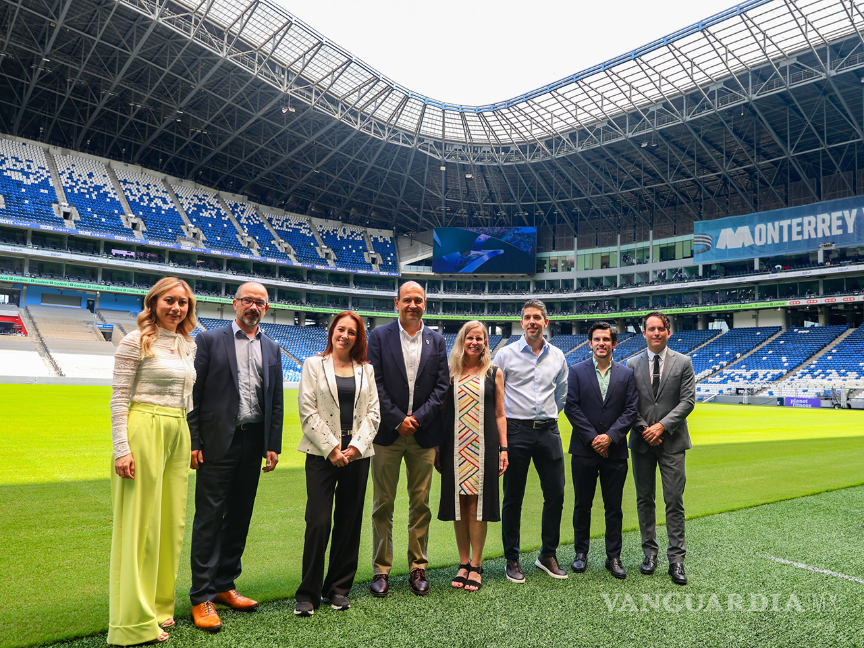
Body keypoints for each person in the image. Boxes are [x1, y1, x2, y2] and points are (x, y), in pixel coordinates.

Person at [187, 282, 284, 632]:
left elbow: (275, 401)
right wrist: (194, 441)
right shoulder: (209, 341)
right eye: (248, 300)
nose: (253, 307)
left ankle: (225, 584)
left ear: (266, 309)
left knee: (240, 516)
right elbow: (193, 394)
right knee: (209, 518)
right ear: (235, 303)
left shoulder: (272, 347)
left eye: (260, 302)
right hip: (217, 442)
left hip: (253, 441)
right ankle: (201, 596)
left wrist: (272, 444)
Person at [108, 277, 198, 645]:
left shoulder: (188, 344)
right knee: (140, 526)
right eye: (169, 301)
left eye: (183, 302)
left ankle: (160, 607)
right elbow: (118, 398)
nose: (176, 308)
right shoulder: (135, 341)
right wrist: (122, 448)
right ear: (154, 303)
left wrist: (188, 439)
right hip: (144, 427)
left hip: (178, 430)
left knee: (170, 523)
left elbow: (187, 397)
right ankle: (133, 622)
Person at [366, 281, 450, 597]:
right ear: (396, 303)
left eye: (418, 300)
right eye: (407, 300)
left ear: (425, 304)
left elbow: (441, 386)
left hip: (423, 435)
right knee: (382, 504)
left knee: (420, 504)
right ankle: (381, 569)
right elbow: (375, 382)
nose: (413, 305)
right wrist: (397, 419)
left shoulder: (436, 340)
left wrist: (418, 419)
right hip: (387, 434)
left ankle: (418, 566)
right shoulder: (379, 336)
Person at [294, 312, 380, 616]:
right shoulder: (313, 364)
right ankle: (308, 593)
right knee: (318, 521)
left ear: (358, 338)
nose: (345, 335)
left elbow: (374, 413)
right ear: (332, 331)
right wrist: (332, 449)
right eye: (340, 329)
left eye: (351, 332)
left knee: (349, 521)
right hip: (321, 454)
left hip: (357, 455)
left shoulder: (366, 370)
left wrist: (355, 447)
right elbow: (307, 411)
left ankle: (338, 589)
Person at [495, 299, 569, 583]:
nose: (532, 322)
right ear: (521, 322)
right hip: (517, 431)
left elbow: (561, 394)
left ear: (545, 322)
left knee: (556, 494)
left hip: (549, 431)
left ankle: (547, 555)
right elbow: (497, 396)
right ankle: (512, 558)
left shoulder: (558, 356)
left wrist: (547, 416)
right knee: (513, 497)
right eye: (527, 317)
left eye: (537, 317)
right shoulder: (506, 355)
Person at [437, 321, 508, 592]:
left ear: (485, 342)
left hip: (484, 446)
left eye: (480, 338)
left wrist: (504, 449)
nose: (475, 342)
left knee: (477, 505)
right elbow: (442, 412)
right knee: (459, 504)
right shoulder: (450, 372)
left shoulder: (494, 372)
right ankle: (463, 562)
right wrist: (437, 448)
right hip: (454, 446)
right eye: (470, 338)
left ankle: (476, 565)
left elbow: (500, 413)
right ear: (462, 340)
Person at [626, 311, 696, 586]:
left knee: (674, 500)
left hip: (673, 442)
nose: (656, 333)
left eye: (660, 328)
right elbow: (628, 404)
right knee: (645, 500)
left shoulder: (684, 362)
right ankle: (649, 554)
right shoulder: (631, 364)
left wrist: (661, 427)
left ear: (669, 331)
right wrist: (645, 429)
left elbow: (688, 401)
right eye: (651, 329)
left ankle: (676, 559)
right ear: (644, 333)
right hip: (641, 442)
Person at [564, 322, 638, 579]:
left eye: (606, 339)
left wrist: (610, 438)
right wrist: (595, 439)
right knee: (582, 505)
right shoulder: (576, 371)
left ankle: (613, 557)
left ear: (614, 344)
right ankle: (580, 553)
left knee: (614, 508)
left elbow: (631, 410)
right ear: (590, 343)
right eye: (597, 339)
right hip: (584, 451)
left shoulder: (626, 374)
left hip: (615, 453)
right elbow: (571, 407)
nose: (601, 343)